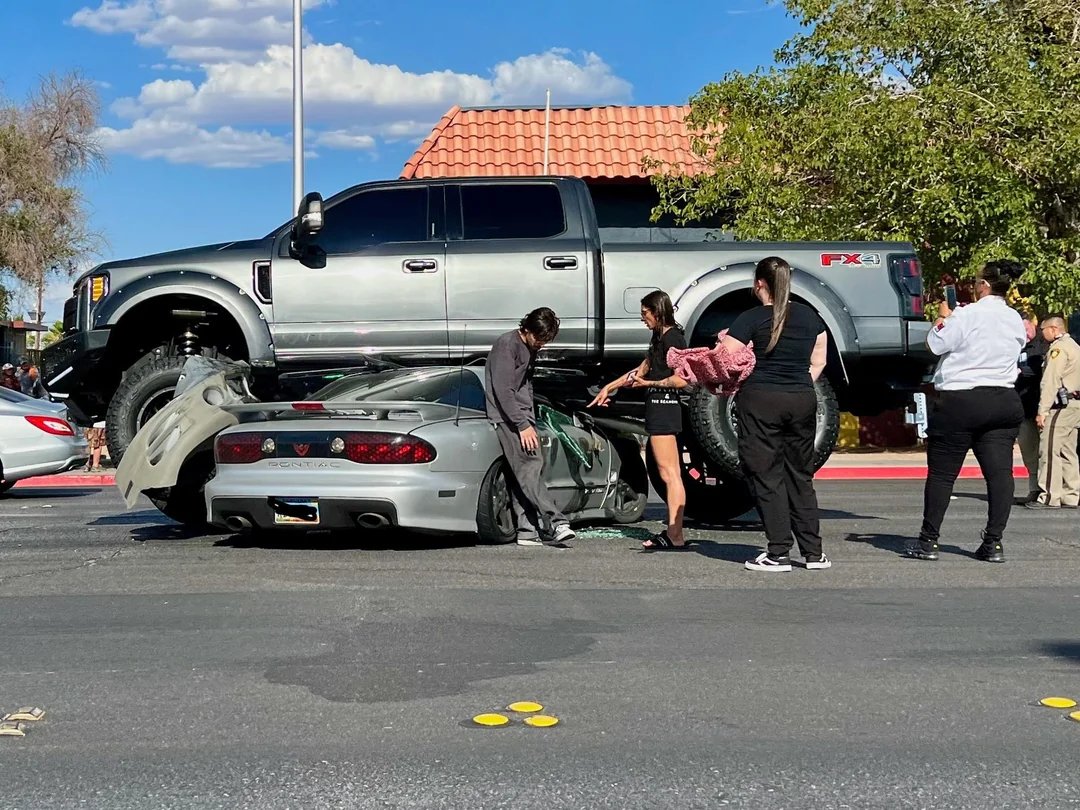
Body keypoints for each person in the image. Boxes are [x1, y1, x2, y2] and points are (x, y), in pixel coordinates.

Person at [906, 260, 1026, 563]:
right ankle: (994, 542)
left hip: (961, 399)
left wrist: (942, 318)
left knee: (944, 475)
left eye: (976, 282)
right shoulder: (1014, 318)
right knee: (1000, 475)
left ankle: (928, 540)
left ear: (983, 286)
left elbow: (935, 344)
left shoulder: (966, 314)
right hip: (1003, 398)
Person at [716, 257, 830, 572]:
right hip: (801, 398)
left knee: (766, 475)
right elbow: (819, 361)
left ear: (759, 284)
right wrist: (797, 382)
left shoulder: (750, 318)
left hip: (761, 399)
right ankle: (814, 553)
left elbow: (724, 360)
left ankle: (778, 552)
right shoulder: (811, 317)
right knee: (800, 474)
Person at [590, 290, 691, 550]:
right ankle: (673, 532)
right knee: (668, 472)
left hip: (665, 409)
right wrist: (610, 387)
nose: (643, 319)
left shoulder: (674, 339)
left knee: (670, 474)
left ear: (657, 312)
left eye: (645, 314)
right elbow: (640, 371)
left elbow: (683, 379)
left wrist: (650, 383)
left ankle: (675, 534)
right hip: (658, 408)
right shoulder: (659, 339)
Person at [484, 307, 575, 547]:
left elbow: (525, 386)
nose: (541, 345)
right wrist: (522, 424)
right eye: (540, 339)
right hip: (510, 419)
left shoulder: (527, 347)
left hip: (521, 417)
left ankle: (527, 529)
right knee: (530, 467)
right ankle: (556, 522)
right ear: (527, 329)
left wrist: (529, 418)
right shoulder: (507, 346)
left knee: (522, 474)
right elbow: (503, 391)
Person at [1026, 316, 1080, 510]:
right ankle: (1071, 495)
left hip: (1061, 407)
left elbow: (1050, 381)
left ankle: (1049, 495)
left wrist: (1043, 410)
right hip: (1075, 405)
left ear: (1054, 329)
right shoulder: (1074, 346)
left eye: (1043, 329)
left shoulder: (1058, 349)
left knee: (1048, 450)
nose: (1041, 333)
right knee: (1068, 451)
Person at [1015, 311, 1047, 504]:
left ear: (1033, 324)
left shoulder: (1045, 346)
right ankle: (1034, 488)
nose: (1024, 333)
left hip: (1044, 408)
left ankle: (1050, 490)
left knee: (1048, 452)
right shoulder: (1014, 347)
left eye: (1026, 328)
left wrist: (1020, 371)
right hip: (1024, 409)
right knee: (1029, 451)